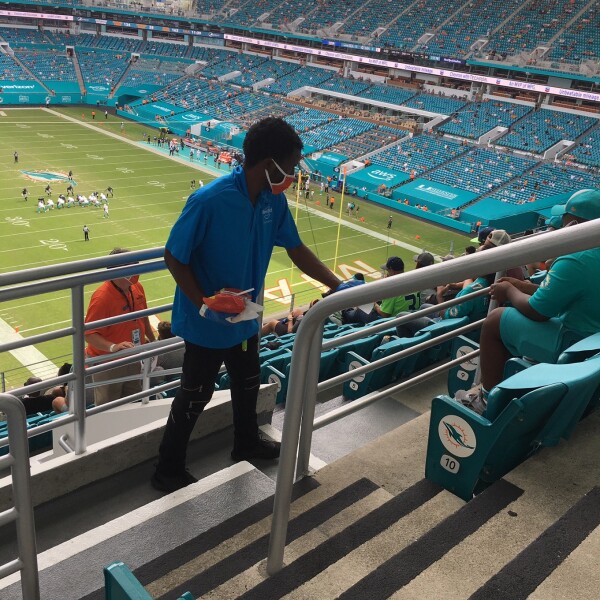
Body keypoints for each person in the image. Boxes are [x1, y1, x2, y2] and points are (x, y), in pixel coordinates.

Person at [152, 117, 353, 493]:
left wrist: (339, 285)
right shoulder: (208, 200)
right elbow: (173, 256)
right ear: (269, 163)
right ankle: (167, 467)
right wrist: (204, 304)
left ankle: (245, 442)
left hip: (245, 319)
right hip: (206, 324)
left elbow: (295, 248)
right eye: (291, 165)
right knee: (196, 393)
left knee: (247, 382)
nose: (293, 174)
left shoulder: (271, 201)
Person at [463, 189, 600, 414]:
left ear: (574, 225)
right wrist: (524, 287)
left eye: (562, 222)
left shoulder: (576, 259)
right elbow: (569, 293)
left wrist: (508, 290)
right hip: (593, 344)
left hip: (575, 347)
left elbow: (538, 311)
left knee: (495, 320)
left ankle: (487, 400)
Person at [84, 248, 155, 406]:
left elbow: (143, 316)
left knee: (134, 400)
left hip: (132, 355)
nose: (137, 271)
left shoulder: (137, 287)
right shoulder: (102, 297)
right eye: (133, 266)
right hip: (109, 363)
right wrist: (113, 347)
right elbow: (88, 333)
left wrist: (152, 340)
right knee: (109, 406)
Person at [342, 257, 420, 324]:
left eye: (388, 270)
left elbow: (384, 314)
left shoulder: (392, 288)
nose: (386, 273)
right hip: (411, 317)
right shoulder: (413, 281)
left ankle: (345, 313)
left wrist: (375, 305)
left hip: (391, 322)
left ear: (392, 271)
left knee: (361, 311)